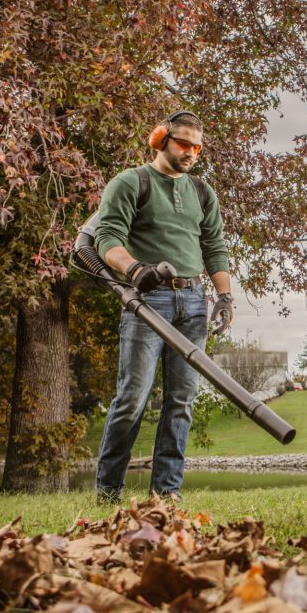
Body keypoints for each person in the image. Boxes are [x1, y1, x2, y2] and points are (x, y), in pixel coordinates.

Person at [92, 110, 234, 504]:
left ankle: (166, 494)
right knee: (132, 397)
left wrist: (223, 296)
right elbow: (107, 238)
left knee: (182, 400)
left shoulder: (203, 192)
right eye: (183, 143)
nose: (191, 152)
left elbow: (215, 247)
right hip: (147, 300)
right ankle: (108, 492)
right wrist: (136, 270)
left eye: (197, 147)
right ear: (161, 139)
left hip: (193, 301)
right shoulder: (130, 183)